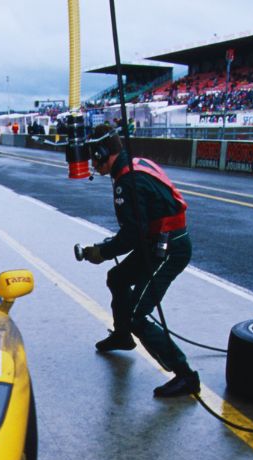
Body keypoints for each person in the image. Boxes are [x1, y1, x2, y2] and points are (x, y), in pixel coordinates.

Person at [77, 124, 199, 398]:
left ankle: (185, 375)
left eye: (93, 156)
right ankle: (122, 336)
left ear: (102, 151)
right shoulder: (131, 166)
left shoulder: (127, 180)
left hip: (169, 249)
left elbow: (133, 234)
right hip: (157, 241)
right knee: (117, 278)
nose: (92, 163)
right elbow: (139, 229)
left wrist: (101, 251)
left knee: (136, 314)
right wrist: (108, 248)